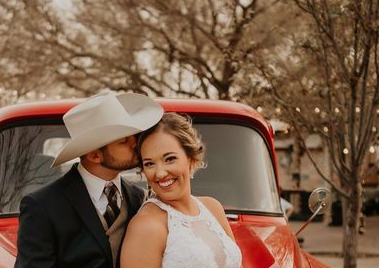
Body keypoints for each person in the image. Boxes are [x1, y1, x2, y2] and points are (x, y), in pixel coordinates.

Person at [15, 91, 163, 268]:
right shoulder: (42, 206)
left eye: (134, 137)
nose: (135, 144)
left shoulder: (139, 198)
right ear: (95, 155)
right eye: (123, 141)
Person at [121, 113, 242, 268]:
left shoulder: (213, 207)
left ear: (191, 159)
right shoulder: (147, 226)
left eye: (170, 159)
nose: (160, 173)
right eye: (150, 163)